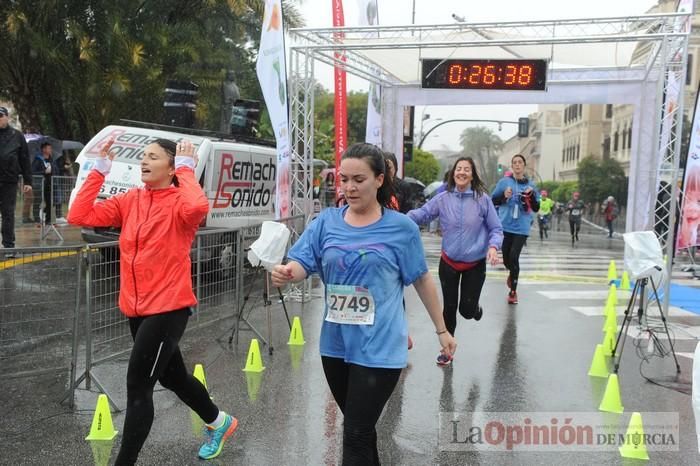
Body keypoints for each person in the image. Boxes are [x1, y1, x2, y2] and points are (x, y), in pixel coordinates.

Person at [271, 142, 456, 465]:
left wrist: (442, 330)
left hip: (381, 347)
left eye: (359, 179)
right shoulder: (326, 222)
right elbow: (303, 262)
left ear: (379, 180)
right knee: (362, 431)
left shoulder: (401, 228)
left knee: (355, 433)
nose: (349, 187)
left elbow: (422, 278)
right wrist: (289, 272)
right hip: (336, 346)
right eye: (344, 179)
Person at [67, 137, 238, 464]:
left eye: (153, 157)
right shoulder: (131, 199)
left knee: (138, 387)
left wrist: (188, 172)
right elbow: (79, 214)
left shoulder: (180, 202)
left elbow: (199, 208)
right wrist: (98, 171)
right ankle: (220, 422)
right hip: (137, 308)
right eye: (143, 157)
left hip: (169, 308)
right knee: (172, 378)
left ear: (171, 167)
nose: (144, 162)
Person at [407, 157, 502, 339]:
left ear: (472, 175)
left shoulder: (482, 200)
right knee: (449, 307)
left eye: (467, 169)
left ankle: (474, 308)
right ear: (453, 173)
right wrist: (400, 219)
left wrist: (493, 247)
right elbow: (423, 214)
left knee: (466, 310)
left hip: (474, 264)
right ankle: (447, 348)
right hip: (449, 262)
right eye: (459, 169)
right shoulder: (443, 198)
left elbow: (496, 228)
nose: (462, 172)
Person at [491, 154, 540, 305]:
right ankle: (512, 273)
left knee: (514, 256)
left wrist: (530, 197)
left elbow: (536, 208)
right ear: (512, 166)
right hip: (505, 225)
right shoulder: (504, 182)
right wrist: (505, 196)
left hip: (522, 227)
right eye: (514, 163)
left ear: (524, 166)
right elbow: (493, 201)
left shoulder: (531, 185)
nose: (517, 165)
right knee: (506, 259)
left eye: (520, 162)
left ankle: (513, 292)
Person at [0, 106, 33, 257]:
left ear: (6, 117)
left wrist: (28, 181)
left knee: (8, 214)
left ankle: (8, 246)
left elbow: (25, 159)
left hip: (9, 181)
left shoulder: (17, 135)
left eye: (1, 116)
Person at [31, 142, 58, 225]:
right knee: (38, 200)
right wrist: (44, 172)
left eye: (50, 148)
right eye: (48, 148)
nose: (50, 150)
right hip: (40, 183)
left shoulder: (51, 159)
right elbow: (33, 172)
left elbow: (56, 170)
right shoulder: (38, 159)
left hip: (50, 183)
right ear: (43, 149)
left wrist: (53, 170)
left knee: (50, 201)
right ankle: (37, 220)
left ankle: (48, 220)